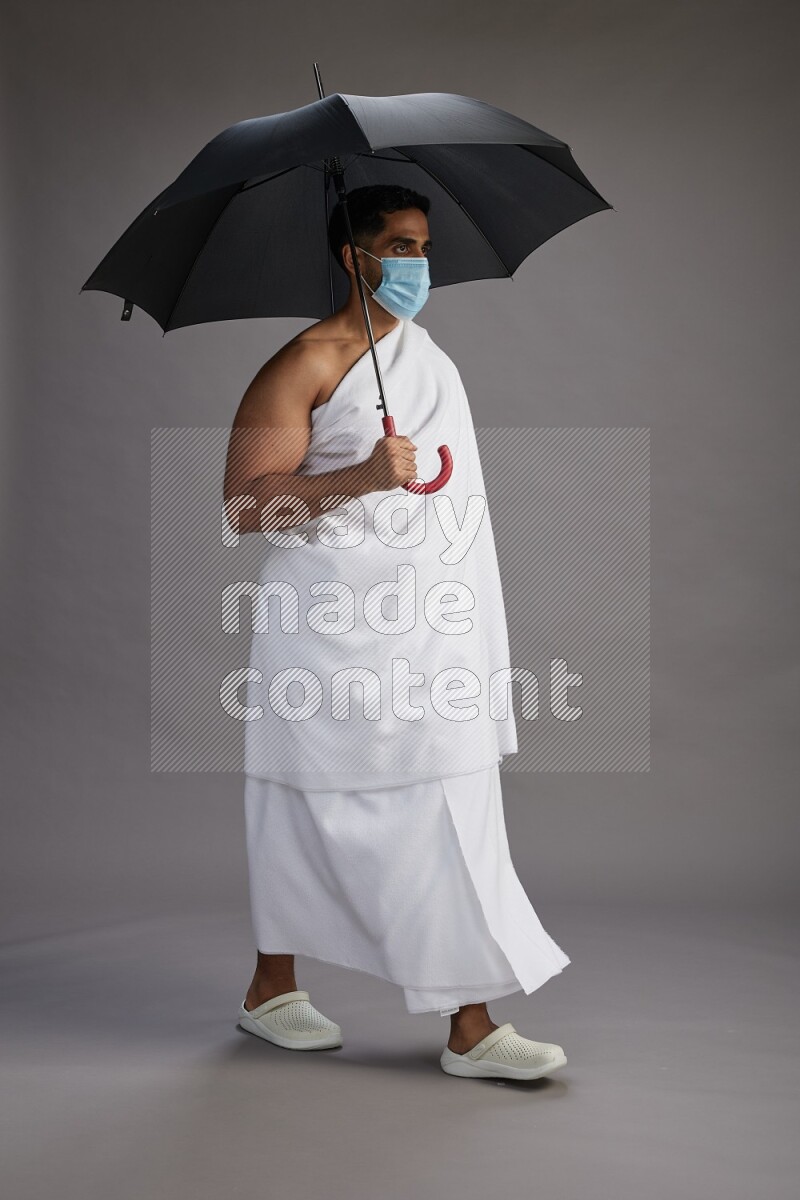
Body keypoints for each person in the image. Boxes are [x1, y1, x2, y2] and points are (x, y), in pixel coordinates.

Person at [223, 184, 570, 1081]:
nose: (420, 264)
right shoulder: (300, 364)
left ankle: (470, 1024)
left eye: (425, 247)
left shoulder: (425, 358)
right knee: (306, 802)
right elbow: (245, 505)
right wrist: (363, 477)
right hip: (332, 625)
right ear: (355, 257)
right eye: (402, 247)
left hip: (433, 625)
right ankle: (272, 990)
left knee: (447, 805)